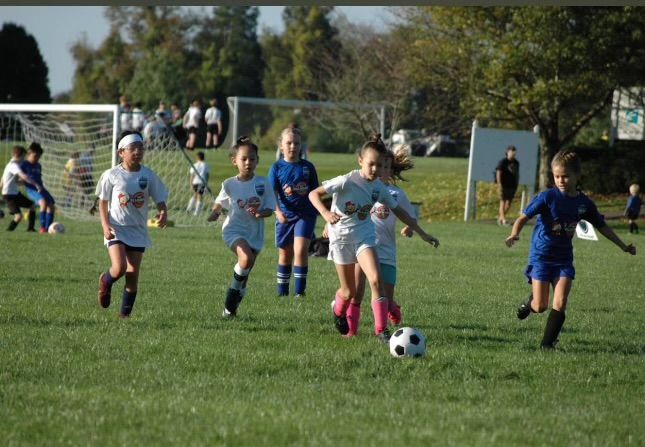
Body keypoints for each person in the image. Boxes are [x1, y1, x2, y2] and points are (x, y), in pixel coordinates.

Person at [308, 134, 439, 342]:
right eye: (371, 164)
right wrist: (325, 215)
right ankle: (339, 311)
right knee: (348, 291)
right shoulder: (346, 181)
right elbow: (313, 194)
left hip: (364, 237)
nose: (375, 170)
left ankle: (382, 331)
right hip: (341, 240)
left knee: (376, 279)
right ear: (360, 161)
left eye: (379, 165)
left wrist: (422, 233)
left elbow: (399, 211)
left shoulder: (378, 187)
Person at [506, 150, 636, 350]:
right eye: (557, 176)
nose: (561, 180)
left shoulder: (583, 203)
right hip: (541, 257)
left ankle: (547, 344)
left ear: (577, 176)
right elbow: (523, 217)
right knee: (540, 306)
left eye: (565, 176)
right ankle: (529, 302)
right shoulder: (548, 197)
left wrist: (623, 246)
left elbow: (603, 227)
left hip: (563, 260)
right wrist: (515, 233)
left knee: (561, 301)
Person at [97, 131, 169, 318]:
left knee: (133, 273)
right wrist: (105, 226)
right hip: (116, 228)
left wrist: (163, 211)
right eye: (132, 148)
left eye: (140, 148)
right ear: (121, 152)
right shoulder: (111, 175)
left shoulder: (148, 175)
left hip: (137, 230)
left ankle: (124, 316)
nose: (137, 151)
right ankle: (106, 280)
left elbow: (159, 197)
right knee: (119, 268)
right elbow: (103, 202)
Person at [207, 136, 276, 319]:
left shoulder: (263, 183)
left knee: (245, 273)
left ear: (257, 160)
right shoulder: (229, 184)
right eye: (243, 159)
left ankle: (231, 309)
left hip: (255, 233)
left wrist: (262, 212)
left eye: (252, 159)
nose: (248, 163)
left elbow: (270, 208)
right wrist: (214, 213)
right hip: (233, 230)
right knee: (245, 259)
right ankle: (230, 299)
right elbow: (219, 203)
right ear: (234, 161)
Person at [353, 146, 418, 327]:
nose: (382, 170)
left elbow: (411, 216)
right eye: (380, 166)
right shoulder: (362, 188)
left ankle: (393, 308)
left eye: (387, 167)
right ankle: (354, 329)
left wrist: (409, 228)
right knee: (357, 291)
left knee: (386, 299)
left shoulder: (397, 194)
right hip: (363, 248)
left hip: (386, 252)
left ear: (391, 170)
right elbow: (345, 207)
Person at [269, 126, 319, 298]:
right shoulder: (276, 168)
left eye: (296, 143)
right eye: (288, 143)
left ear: (301, 146)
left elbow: (315, 193)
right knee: (285, 254)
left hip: (305, 215)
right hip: (285, 216)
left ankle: (299, 292)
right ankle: (282, 293)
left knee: (300, 250)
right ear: (281, 146)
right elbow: (272, 193)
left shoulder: (308, 167)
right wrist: (278, 212)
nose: (292, 146)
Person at [20, 142, 56, 234]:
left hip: (41, 189)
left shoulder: (38, 165)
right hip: (31, 189)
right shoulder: (24, 165)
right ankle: (42, 228)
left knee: (51, 206)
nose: (37, 158)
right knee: (43, 203)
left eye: (39, 157)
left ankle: (48, 229)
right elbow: (20, 177)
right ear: (29, 153)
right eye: (35, 156)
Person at [1, 145, 38, 231]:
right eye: (24, 157)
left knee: (32, 205)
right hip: (9, 195)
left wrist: (22, 182)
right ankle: (9, 231)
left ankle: (31, 228)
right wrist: (35, 183)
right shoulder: (14, 165)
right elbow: (23, 176)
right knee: (18, 216)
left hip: (15, 194)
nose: (24, 159)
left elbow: (4, 180)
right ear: (20, 156)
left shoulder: (9, 165)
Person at [496, 145, 520, 226]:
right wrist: (499, 184)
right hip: (504, 184)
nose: (513, 153)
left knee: (509, 203)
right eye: (511, 151)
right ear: (507, 152)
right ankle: (503, 219)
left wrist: (517, 183)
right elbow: (499, 173)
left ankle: (501, 218)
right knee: (502, 201)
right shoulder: (503, 162)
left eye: (514, 152)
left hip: (512, 185)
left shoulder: (516, 163)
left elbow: (517, 174)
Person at [186, 151, 211, 215]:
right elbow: (207, 175)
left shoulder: (194, 165)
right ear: (203, 157)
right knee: (200, 196)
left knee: (195, 194)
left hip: (195, 182)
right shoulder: (206, 165)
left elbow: (192, 175)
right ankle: (196, 212)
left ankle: (189, 208)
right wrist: (206, 183)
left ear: (197, 157)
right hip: (202, 182)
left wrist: (191, 184)